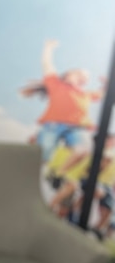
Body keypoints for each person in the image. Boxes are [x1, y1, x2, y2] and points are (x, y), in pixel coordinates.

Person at [20, 39, 106, 167]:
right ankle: (35, 171)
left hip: (77, 127)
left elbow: (105, 94)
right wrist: (48, 48)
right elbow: (46, 64)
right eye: (78, 73)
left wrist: (107, 84)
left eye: (84, 76)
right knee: (43, 155)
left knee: (84, 150)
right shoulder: (56, 84)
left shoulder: (87, 94)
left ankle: (58, 173)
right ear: (67, 76)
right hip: (53, 125)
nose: (82, 76)